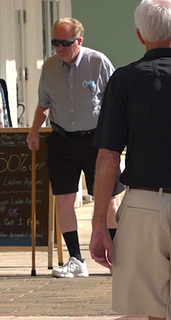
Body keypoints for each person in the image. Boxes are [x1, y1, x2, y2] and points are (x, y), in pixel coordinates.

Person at [26, 17, 124, 278]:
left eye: (65, 43)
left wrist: (119, 137)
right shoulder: (48, 67)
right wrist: (34, 130)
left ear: (79, 41)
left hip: (97, 141)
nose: (59, 47)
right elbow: (43, 104)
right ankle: (75, 259)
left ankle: (118, 257)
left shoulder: (98, 62)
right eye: (55, 42)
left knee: (108, 200)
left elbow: (116, 103)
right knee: (63, 199)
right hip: (62, 140)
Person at [91, 1, 171, 318]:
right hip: (145, 200)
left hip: (144, 204)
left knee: (149, 310)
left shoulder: (125, 80)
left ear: (139, 35)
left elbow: (109, 157)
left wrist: (99, 224)